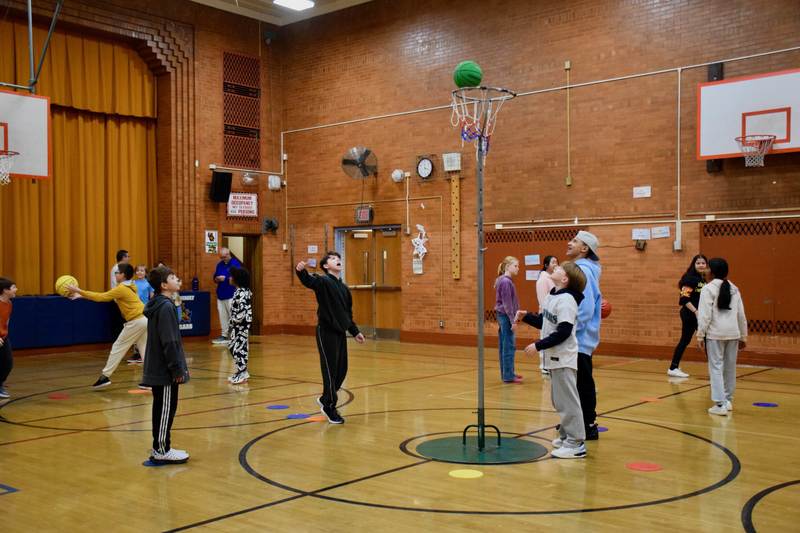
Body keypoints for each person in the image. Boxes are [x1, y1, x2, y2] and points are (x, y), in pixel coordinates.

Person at [517, 262, 588, 459]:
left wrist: (538, 345)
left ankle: (576, 443)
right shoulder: (553, 295)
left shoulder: (567, 300)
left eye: (558, 269)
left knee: (568, 402)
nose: (554, 268)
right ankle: (566, 436)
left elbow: (564, 332)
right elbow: (545, 322)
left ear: (564, 279)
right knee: (559, 401)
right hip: (554, 358)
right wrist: (527, 317)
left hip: (563, 358)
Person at [296, 252, 365, 424]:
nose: (337, 260)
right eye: (333, 259)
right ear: (326, 266)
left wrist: (355, 331)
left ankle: (325, 398)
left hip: (340, 333)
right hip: (326, 331)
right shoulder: (323, 281)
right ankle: (329, 406)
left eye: (338, 258)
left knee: (342, 369)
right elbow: (309, 281)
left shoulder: (344, 288)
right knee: (330, 370)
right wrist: (300, 271)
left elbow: (347, 314)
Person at [67, 263, 148, 388]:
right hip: (144, 319)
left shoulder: (122, 288)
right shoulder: (131, 285)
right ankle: (150, 380)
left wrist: (79, 290)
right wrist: (82, 295)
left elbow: (101, 297)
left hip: (136, 321)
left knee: (118, 347)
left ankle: (105, 377)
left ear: (123, 275)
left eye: (117, 272)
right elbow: (105, 296)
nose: (115, 274)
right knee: (144, 350)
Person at [142, 266, 190, 463]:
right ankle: (162, 449)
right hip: (164, 371)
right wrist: (176, 369)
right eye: (172, 277)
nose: (177, 279)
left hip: (161, 368)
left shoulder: (160, 304)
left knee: (163, 408)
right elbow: (169, 342)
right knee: (165, 410)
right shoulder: (165, 307)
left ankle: (161, 447)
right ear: (163, 285)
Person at [697, 258, 747, 416]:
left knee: (716, 368)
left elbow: (704, 316)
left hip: (715, 334)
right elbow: (741, 315)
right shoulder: (734, 288)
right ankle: (728, 400)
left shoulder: (708, 289)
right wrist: (743, 336)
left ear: (712, 272)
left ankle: (720, 404)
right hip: (733, 333)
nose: (705, 270)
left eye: (707, 268)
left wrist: (700, 335)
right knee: (730, 368)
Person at [564, 230, 602, 440]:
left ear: (585, 248)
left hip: (579, 338)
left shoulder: (583, 271)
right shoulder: (580, 269)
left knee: (582, 383)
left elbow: (585, 309)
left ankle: (588, 424)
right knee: (575, 383)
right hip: (577, 338)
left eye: (575, 241)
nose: (569, 243)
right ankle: (576, 421)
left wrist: (567, 330)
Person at [668, 254, 708, 378]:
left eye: (703, 263)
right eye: (698, 263)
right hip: (689, 314)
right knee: (690, 340)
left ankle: (673, 367)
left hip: (698, 315)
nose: (701, 265)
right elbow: (684, 299)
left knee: (703, 340)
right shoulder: (689, 279)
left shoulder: (703, 279)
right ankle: (673, 368)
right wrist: (696, 312)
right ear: (693, 265)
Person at [495, 256, 522, 383]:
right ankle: (508, 375)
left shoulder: (504, 280)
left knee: (505, 345)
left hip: (503, 316)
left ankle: (508, 373)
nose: (518, 268)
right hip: (506, 317)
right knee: (509, 346)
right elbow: (507, 304)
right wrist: (513, 321)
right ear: (507, 267)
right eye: (515, 266)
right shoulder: (506, 282)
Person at [227, 266, 253, 384]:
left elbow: (242, 311)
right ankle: (241, 371)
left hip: (241, 325)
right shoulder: (240, 291)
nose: (229, 278)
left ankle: (242, 372)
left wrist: (234, 321)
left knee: (239, 348)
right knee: (233, 346)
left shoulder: (242, 293)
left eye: (231, 276)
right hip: (238, 325)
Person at [212, 247, 242, 344]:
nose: (223, 259)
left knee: (233, 316)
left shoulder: (235, 264)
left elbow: (238, 277)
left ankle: (236, 336)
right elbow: (215, 277)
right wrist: (217, 279)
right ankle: (224, 335)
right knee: (223, 316)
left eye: (224, 257)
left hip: (231, 294)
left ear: (229, 254)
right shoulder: (219, 264)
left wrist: (225, 278)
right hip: (221, 294)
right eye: (221, 257)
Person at [535, 255, 558, 375]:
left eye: (556, 262)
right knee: (545, 338)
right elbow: (542, 299)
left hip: (554, 315)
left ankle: (550, 363)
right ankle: (543, 365)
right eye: (553, 262)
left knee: (552, 339)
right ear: (546, 265)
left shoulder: (553, 278)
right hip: (546, 314)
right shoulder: (543, 279)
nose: (556, 264)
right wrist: (547, 314)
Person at [128, 265, 154, 365]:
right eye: (138, 270)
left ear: (145, 273)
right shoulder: (132, 283)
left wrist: (150, 309)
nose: (140, 272)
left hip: (144, 310)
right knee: (135, 332)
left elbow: (152, 298)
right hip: (134, 310)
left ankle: (144, 353)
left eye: (142, 270)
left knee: (144, 332)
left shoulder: (148, 284)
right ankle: (136, 353)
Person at [0, 277, 18, 399]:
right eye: (13, 287)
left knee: (7, 363)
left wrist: (4, 334)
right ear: (5, 290)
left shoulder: (9, 303)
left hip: (3, 337)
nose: (16, 289)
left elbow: (6, 321)